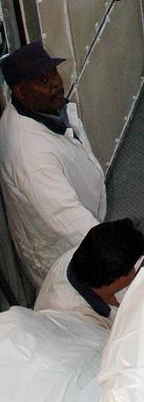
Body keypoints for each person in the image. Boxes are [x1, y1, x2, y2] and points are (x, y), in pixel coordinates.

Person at [0, 41, 106, 288]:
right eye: (43, 82)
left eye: (53, 74)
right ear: (21, 92)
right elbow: (68, 219)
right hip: (67, 255)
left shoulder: (44, 108)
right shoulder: (31, 158)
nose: (56, 83)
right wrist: (129, 262)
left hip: (82, 235)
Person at [35, 217, 144, 328]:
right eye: (132, 267)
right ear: (118, 279)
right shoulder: (80, 321)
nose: (135, 269)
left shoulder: (92, 253)